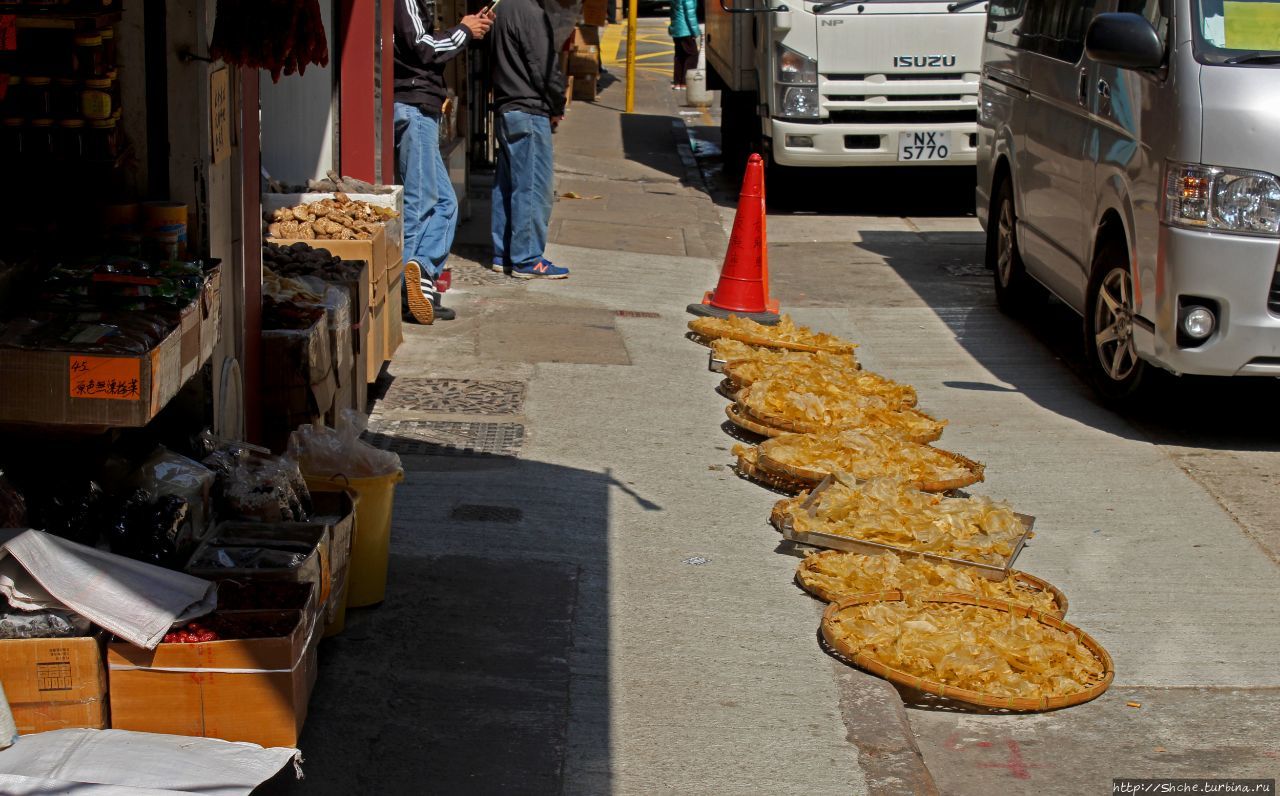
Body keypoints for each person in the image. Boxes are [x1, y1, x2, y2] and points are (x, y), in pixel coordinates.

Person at [393, 0, 492, 323]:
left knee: (446, 204)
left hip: (421, 106)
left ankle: (419, 273)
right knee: (420, 202)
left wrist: (465, 30)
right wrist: (464, 30)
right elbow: (422, 48)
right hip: (414, 106)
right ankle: (406, 291)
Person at [488, 0, 571, 279]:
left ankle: (504, 253)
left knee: (507, 185)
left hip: (507, 107)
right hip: (528, 110)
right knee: (533, 187)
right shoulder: (530, 12)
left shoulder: (501, 8)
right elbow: (544, 67)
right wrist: (557, 104)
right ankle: (528, 259)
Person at [669, 0, 699, 90]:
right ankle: (686, 82)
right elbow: (690, 16)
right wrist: (695, 32)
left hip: (677, 29)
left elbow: (672, 12)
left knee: (680, 56)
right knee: (692, 55)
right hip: (686, 30)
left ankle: (678, 83)